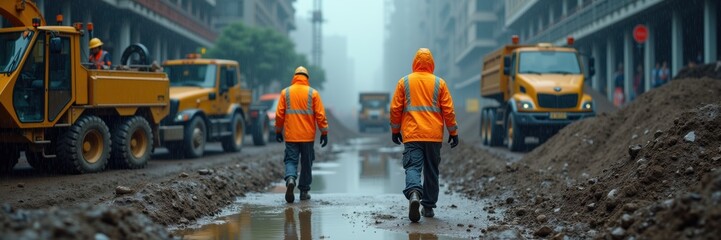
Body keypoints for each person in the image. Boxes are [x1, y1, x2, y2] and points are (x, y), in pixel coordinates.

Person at [389, 48, 459, 223]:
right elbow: (448, 110)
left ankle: (414, 193)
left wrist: (395, 130)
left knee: (413, 167)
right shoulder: (439, 83)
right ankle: (427, 207)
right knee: (431, 171)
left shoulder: (404, 82)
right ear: (432, 63)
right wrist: (453, 132)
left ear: (415, 62)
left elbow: (395, 109)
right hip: (433, 136)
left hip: (412, 135)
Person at [275, 66, 329, 203]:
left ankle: (291, 179)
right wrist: (324, 132)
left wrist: (278, 130)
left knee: (291, 160)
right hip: (307, 136)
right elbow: (320, 115)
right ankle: (304, 192)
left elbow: (279, 115)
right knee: (306, 163)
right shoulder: (313, 93)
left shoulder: (285, 92)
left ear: (295, 76)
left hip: (291, 135)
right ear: (307, 78)